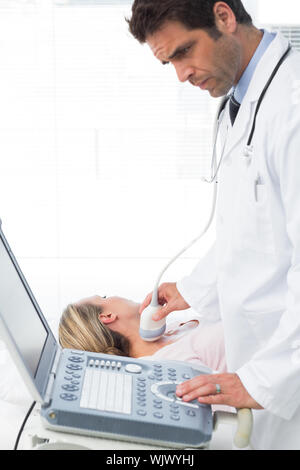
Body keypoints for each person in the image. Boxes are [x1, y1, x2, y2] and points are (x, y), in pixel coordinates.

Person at [126, 0, 300, 450]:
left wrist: (265, 380)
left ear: (224, 17)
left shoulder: (293, 106)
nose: (182, 75)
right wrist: (195, 289)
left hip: (286, 362)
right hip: (261, 349)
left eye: (185, 52)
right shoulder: (242, 101)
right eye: (169, 63)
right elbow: (256, 230)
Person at [59, 295, 226, 374]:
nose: (115, 294)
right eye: (104, 297)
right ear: (107, 316)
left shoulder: (168, 331)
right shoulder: (172, 364)